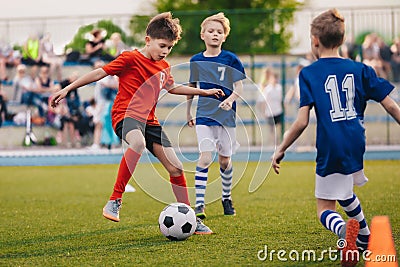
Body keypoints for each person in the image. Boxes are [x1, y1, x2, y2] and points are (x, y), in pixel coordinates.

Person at [51, 12, 225, 234]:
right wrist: (67, 88)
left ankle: (189, 215)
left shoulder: (163, 66)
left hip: (150, 122)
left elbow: (173, 88)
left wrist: (204, 92)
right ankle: (115, 199)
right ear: (147, 40)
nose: (165, 51)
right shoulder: (130, 58)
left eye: (169, 48)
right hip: (126, 115)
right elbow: (99, 73)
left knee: (176, 167)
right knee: (138, 144)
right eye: (162, 45)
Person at [271, 9, 400, 267]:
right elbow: (391, 106)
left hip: (331, 142)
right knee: (344, 191)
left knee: (325, 209)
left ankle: (345, 232)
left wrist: (281, 148)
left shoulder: (308, 73)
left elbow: (302, 121)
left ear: (315, 40)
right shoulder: (361, 69)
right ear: (341, 39)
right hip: (356, 138)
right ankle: (364, 237)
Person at [186, 13, 246, 219]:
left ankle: (226, 197)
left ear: (224, 37)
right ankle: (199, 205)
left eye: (219, 32)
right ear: (202, 35)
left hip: (226, 118)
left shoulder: (231, 59)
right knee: (204, 158)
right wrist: (188, 112)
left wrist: (230, 100)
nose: (215, 34)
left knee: (224, 161)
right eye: (211, 31)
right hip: (203, 115)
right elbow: (191, 88)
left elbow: (239, 87)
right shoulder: (196, 60)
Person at [256, 69, 283, 144]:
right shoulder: (267, 89)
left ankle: (279, 142)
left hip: (278, 110)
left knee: (279, 127)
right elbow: (264, 101)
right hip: (270, 111)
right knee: (272, 129)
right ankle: (274, 142)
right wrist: (264, 111)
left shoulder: (279, 88)